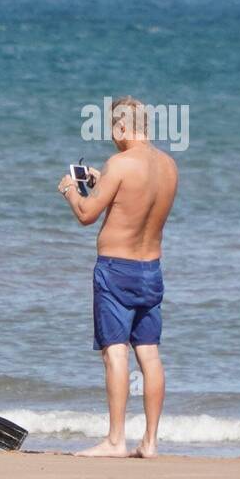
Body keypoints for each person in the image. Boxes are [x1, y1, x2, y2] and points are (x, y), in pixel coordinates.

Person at [58, 95, 178, 458]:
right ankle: (151, 442)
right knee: (150, 353)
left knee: (115, 353)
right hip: (151, 270)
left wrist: (69, 190)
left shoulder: (120, 164)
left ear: (124, 127)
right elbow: (135, 204)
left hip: (115, 270)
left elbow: (86, 214)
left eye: (113, 129)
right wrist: (102, 180)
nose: (112, 137)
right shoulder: (169, 165)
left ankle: (115, 440)